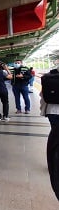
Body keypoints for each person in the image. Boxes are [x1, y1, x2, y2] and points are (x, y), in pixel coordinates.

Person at [40, 60, 59, 200]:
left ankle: (54, 162)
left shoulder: (50, 76)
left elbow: (42, 95)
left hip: (53, 111)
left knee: (55, 136)